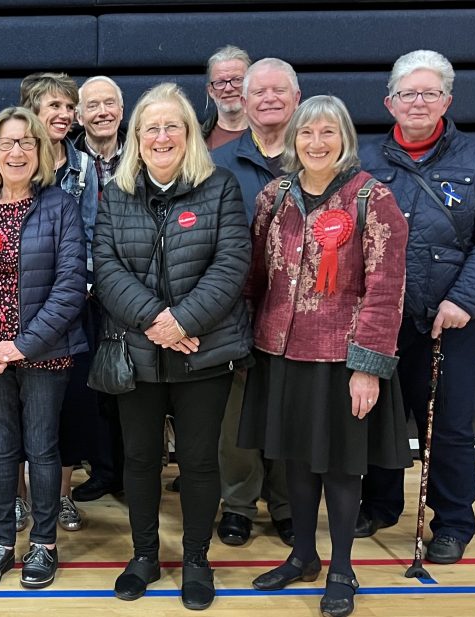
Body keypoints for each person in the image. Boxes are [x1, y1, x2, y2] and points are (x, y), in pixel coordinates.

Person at [240, 95, 411, 617]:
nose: (316, 143)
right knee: (293, 458)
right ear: (293, 140)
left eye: (327, 133)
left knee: (340, 467)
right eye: (307, 133)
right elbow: (255, 276)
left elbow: (386, 288)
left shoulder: (371, 198)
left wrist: (369, 367)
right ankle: (303, 556)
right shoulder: (275, 195)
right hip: (280, 351)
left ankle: (341, 567)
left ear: (345, 140)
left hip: (342, 356)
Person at [356, 50, 475, 565]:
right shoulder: (364, 161)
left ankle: (452, 521)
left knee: (446, 427)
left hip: (450, 320)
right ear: (390, 102)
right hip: (385, 320)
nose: (419, 102)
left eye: (430, 93)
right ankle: (380, 504)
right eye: (408, 93)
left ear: (447, 100)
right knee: (380, 419)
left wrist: (463, 300)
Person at [92, 83, 250, 611]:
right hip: (137, 351)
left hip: (203, 353)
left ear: (189, 135)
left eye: (172, 126)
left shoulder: (220, 186)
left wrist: (181, 321)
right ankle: (143, 556)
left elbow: (231, 266)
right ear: (137, 136)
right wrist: (155, 321)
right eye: (151, 127)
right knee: (139, 460)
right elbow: (106, 267)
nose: (161, 136)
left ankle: (197, 561)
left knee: (200, 463)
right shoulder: (116, 191)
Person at [0, 106, 87, 589]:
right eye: (6, 143)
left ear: (42, 152)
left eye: (27, 142)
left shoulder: (61, 208)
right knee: (1, 451)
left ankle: (44, 544)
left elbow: (70, 288)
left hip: (44, 354)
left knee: (43, 450)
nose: (17, 151)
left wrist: (21, 345)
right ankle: (2, 542)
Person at [210, 57, 300, 547]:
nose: (268, 99)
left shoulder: (317, 155)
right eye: (258, 92)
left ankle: (287, 504)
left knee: (289, 407)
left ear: (296, 99)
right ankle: (240, 504)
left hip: (301, 313)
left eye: (278, 91)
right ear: (242, 103)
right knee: (238, 413)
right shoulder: (218, 165)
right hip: (235, 308)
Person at [18, 72, 99, 533]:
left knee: (70, 406)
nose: (65, 115)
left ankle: (62, 495)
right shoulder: (11, 155)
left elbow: (88, 239)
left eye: (70, 108)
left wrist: (74, 290)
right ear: (32, 108)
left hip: (69, 307)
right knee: (14, 407)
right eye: (55, 106)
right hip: (17, 303)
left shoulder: (83, 167)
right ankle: (18, 497)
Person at [69, 75, 126, 505]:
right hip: (84, 289)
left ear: (122, 111)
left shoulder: (145, 153)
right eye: (93, 105)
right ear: (79, 114)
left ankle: (133, 471)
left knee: (132, 381)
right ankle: (104, 469)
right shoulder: (66, 161)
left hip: (131, 284)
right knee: (93, 383)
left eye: (110, 103)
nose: (102, 111)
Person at [201, 45, 251, 150]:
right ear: (210, 91)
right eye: (220, 82)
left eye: (237, 80)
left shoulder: (272, 136)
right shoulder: (196, 140)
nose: (228, 88)